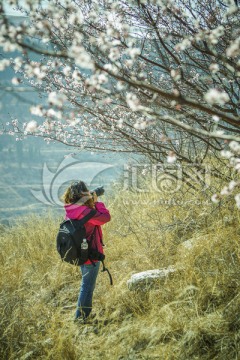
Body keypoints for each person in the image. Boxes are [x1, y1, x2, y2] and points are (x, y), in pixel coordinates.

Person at [62, 180, 111, 321]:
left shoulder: (70, 209)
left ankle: (85, 315)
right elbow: (105, 218)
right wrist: (97, 203)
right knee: (87, 286)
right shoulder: (86, 212)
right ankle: (80, 319)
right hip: (90, 254)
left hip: (79, 253)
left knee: (87, 284)